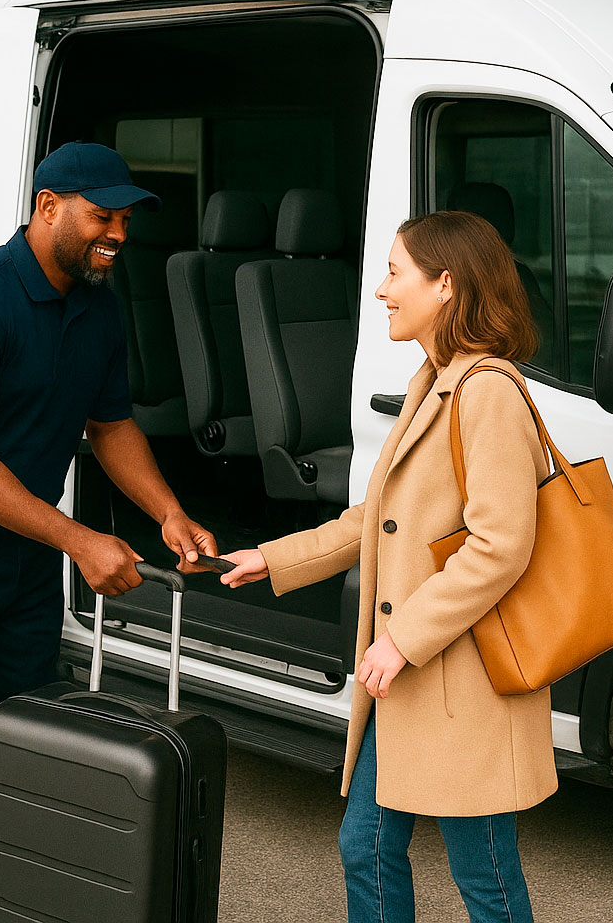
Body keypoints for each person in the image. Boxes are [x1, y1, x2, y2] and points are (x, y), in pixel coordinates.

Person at [0, 141, 220, 923]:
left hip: (25, 558)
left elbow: (110, 425)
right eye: (104, 216)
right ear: (48, 206)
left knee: (16, 755)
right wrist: (76, 539)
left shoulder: (96, 302)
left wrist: (165, 510)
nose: (119, 235)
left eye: (126, 220)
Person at [220, 209, 557, 923]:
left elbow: (501, 547)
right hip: (412, 676)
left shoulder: (486, 390)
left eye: (396, 272)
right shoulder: (433, 379)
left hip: (461, 680)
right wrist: (274, 558)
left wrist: (402, 639)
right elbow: (376, 521)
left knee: (486, 879)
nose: (381, 290)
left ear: (446, 284)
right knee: (367, 847)